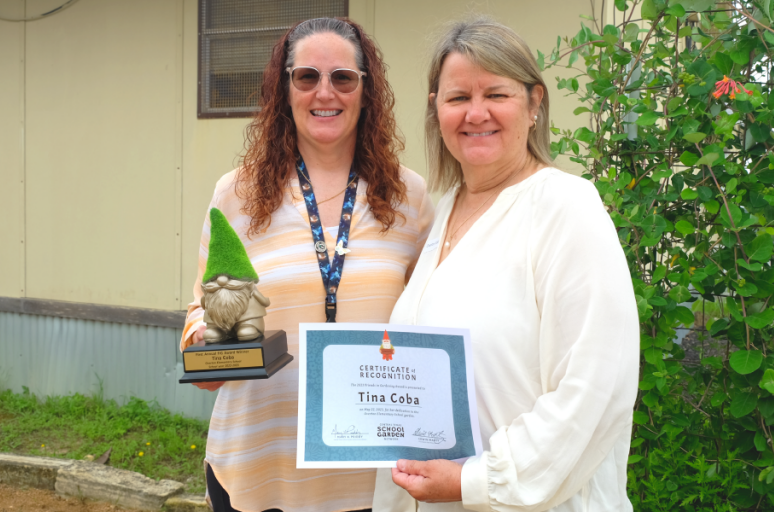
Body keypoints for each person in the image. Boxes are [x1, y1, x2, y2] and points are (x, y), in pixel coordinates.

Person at [372, 18, 639, 512]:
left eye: (496, 93)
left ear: (534, 103)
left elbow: (595, 390)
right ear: (436, 109)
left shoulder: (565, 207)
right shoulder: (445, 209)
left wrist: (476, 481)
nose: (476, 114)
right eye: (457, 98)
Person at [181, 17, 434, 512]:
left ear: (366, 91)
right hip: (258, 470)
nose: (326, 92)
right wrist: (211, 343)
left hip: (372, 479)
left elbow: (426, 325)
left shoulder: (410, 197)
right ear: (285, 88)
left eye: (343, 77)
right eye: (306, 77)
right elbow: (201, 323)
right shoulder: (237, 194)